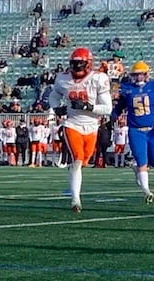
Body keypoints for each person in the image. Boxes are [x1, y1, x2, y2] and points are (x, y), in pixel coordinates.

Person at [46, 47, 112, 212]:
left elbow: (107, 108)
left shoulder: (98, 78)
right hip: (72, 123)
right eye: (74, 64)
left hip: (92, 126)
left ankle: (73, 179)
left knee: (83, 161)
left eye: (80, 64)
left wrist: (88, 106)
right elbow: (54, 96)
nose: (76, 68)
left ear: (88, 64)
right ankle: (76, 199)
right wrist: (57, 108)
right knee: (77, 158)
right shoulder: (63, 79)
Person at [111, 61, 154, 202]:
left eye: (140, 74)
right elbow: (119, 107)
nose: (137, 77)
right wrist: (113, 116)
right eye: (135, 74)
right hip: (135, 130)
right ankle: (146, 191)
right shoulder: (127, 89)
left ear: (146, 74)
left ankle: (137, 169)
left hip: (152, 130)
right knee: (142, 161)